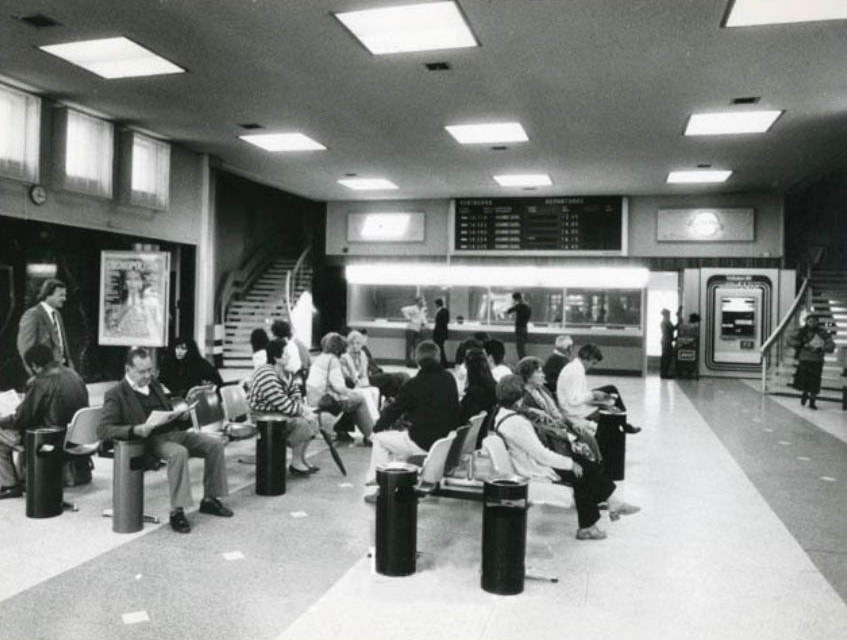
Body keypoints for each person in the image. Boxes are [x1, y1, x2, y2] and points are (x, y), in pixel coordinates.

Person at [98, 347, 232, 534]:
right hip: (150, 440)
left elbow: (167, 409)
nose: (148, 375)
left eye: (150, 370)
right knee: (178, 453)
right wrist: (136, 429)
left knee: (214, 444)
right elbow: (104, 430)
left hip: (173, 433)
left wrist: (181, 415)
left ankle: (210, 499)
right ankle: (177, 511)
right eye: (142, 371)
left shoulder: (154, 385)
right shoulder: (116, 393)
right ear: (128, 369)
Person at [492, 375, 639, 540]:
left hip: (530, 462)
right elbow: (542, 455)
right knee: (583, 469)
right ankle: (596, 518)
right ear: (519, 398)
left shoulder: (504, 415)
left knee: (586, 465)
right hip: (534, 468)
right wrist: (569, 463)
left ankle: (605, 510)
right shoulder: (517, 424)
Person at [363, 341, 460, 502]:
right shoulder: (449, 378)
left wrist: (375, 430)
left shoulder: (414, 384)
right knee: (395, 441)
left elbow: (393, 411)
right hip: (444, 439)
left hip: (422, 442)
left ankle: (381, 487)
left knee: (380, 440)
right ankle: (391, 479)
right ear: (438, 356)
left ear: (417, 359)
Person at [0, 345, 89, 499]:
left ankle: (10, 485)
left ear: (34, 366)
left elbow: (21, 419)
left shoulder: (39, 382)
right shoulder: (73, 374)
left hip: (50, 439)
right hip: (75, 437)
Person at [247, 339, 320, 475]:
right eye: (285, 354)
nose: (289, 356)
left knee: (313, 420)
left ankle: (301, 459)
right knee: (301, 423)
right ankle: (296, 462)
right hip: (262, 415)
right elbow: (282, 402)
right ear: (276, 357)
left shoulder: (285, 372)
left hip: (278, 411)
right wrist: (302, 411)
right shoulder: (266, 374)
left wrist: (300, 407)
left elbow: (295, 392)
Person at [515, 356, 601, 462]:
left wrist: (572, 424)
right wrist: (566, 435)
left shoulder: (543, 389)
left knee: (588, 437)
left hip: (560, 427)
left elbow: (558, 413)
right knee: (580, 445)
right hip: (550, 436)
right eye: (539, 372)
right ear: (527, 376)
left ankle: (598, 465)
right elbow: (538, 425)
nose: (543, 375)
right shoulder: (525, 398)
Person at [306, 332, 375, 444]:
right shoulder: (333, 361)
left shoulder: (321, 358)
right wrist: (352, 392)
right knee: (359, 399)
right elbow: (339, 387)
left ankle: (345, 431)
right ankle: (371, 435)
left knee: (353, 400)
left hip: (314, 396)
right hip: (325, 400)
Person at [557, 344, 641, 434]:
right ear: (587, 358)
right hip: (575, 411)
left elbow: (576, 396)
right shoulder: (575, 372)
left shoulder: (575, 368)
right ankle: (622, 424)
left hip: (575, 407)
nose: (592, 366)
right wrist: (593, 395)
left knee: (610, 390)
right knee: (611, 414)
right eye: (593, 363)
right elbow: (573, 400)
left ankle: (623, 423)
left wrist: (596, 399)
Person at [16, 278, 74, 373]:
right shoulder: (32, 315)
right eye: (61, 295)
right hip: (45, 376)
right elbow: (26, 350)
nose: (64, 299)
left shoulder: (57, 314)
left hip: (63, 372)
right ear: (48, 295)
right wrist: (37, 376)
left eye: (65, 295)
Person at [788, 315, 835, 410]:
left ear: (817, 322)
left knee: (815, 382)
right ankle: (805, 393)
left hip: (817, 360)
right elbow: (790, 340)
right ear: (806, 321)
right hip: (804, 359)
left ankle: (812, 401)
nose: (812, 323)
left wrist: (821, 348)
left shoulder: (823, 332)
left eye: (814, 321)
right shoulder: (801, 332)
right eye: (810, 321)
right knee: (804, 380)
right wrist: (802, 344)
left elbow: (831, 345)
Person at [158, 336, 224, 399]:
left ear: (190, 350)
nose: (179, 351)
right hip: (172, 400)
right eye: (177, 348)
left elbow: (217, 381)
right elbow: (161, 382)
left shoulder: (199, 363)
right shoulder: (167, 363)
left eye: (183, 349)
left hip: (193, 400)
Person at [109, 268, 162, 340]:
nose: (133, 283)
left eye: (136, 279)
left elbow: (156, 332)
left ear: (141, 282)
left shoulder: (150, 305)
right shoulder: (117, 308)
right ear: (124, 283)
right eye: (129, 279)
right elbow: (111, 332)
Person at [359, 329, 409, 402]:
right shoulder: (358, 352)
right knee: (392, 378)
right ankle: (400, 401)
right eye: (363, 337)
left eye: (366, 337)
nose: (365, 339)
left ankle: (402, 399)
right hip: (371, 376)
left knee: (404, 375)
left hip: (378, 373)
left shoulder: (365, 349)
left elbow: (373, 365)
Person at [460, 348, 498, 424]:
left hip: (473, 431)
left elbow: (462, 419)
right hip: (485, 430)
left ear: (468, 368)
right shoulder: (495, 387)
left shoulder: (472, 396)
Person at [401, 297, 427, 367]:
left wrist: (424, 323)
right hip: (410, 328)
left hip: (417, 329)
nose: (423, 302)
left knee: (416, 346)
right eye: (421, 301)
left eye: (423, 301)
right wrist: (409, 318)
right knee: (409, 346)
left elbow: (423, 318)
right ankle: (408, 362)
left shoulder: (422, 309)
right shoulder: (413, 308)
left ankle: (415, 362)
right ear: (418, 302)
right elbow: (403, 309)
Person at [506, 291, 531, 360]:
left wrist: (514, 305)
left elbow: (509, 311)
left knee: (520, 349)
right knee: (522, 348)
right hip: (525, 328)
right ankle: (524, 363)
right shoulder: (528, 305)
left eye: (514, 299)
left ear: (516, 299)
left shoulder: (520, 305)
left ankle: (522, 364)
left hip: (519, 329)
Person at [432, 297, 450, 369]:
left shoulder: (443, 311)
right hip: (440, 332)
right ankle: (442, 363)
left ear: (437, 304)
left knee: (440, 348)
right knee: (440, 348)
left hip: (440, 333)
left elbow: (443, 322)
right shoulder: (443, 311)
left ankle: (443, 363)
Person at [659, 308, 676, 379]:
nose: (669, 315)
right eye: (669, 314)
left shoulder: (664, 322)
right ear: (666, 314)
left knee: (665, 357)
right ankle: (665, 374)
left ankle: (664, 373)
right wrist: (679, 322)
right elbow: (673, 328)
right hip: (667, 342)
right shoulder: (666, 321)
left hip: (665, 341)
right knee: (667, 358)